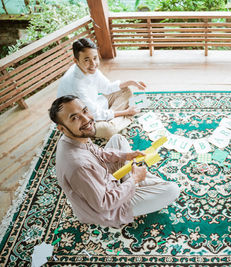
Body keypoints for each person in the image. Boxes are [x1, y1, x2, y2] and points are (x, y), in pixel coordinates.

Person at [49, 95, 180, 228]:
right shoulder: (80, 166)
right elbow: (104, 204)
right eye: (75, 117)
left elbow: (98, 153)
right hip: (109, 209)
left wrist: (128, 155)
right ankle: (136, 182)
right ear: (62, 128)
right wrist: (134, 179)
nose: (86, 119)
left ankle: (134, 182)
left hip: (105, 180)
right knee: (172, 190)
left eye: (85, 111)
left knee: (118, 138)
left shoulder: (73, 137)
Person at [57, 38, 147, 139]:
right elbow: (94, 114)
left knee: (125, 90)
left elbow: (107, 87)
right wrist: (126, 112)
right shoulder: (76, 84)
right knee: (109, 131)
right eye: (86, 60)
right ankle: (121, 116)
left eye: (95, 58)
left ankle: (113, 117)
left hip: (94, 106)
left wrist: (131, 82)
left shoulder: (91, 69)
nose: (93, 64)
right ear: (76, 61)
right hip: (81, 120)